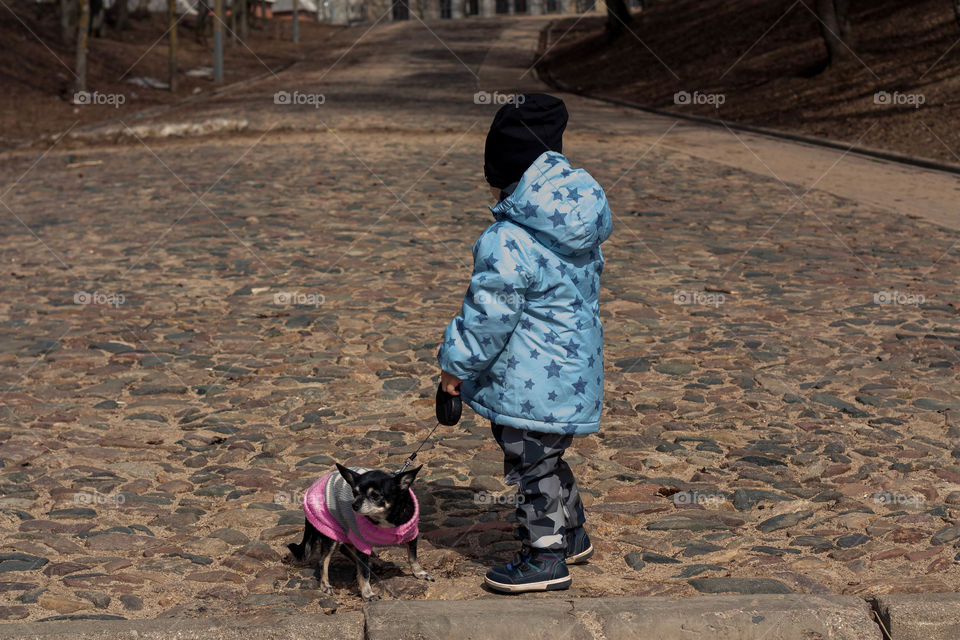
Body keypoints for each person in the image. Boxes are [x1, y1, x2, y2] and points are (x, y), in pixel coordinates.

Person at [437, 93, 612, 593]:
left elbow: (488, 315)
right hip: (575, 374)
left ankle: (543, 556)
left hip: (529, 382)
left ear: (506, 174)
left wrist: (455, 368)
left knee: (531, 467)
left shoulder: (507, 239)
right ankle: (572, 532)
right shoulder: (576, 228)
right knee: (548, 456)